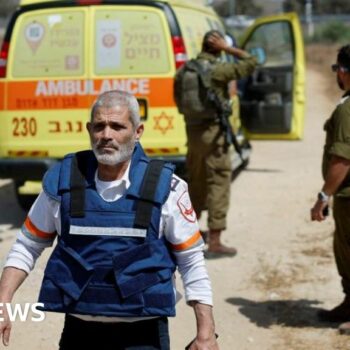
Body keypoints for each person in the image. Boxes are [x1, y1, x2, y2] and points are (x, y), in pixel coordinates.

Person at [0, 90, 219, 350]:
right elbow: (27, 245)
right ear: (89, 129)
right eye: (99, 126)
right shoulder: (63, 182)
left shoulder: (168, 188)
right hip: (79, 334)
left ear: (137, 132)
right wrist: (4, 302)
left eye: (117, 126)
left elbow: (191, 260)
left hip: (144, 335)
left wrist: (206, 332)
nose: (106, 135)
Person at [181, 30, 257, 258]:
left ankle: (186, 236)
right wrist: (228, 48)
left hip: (192, 134)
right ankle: (214, 241)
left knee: (195, 182)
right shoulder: (218, 70)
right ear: (217, 46)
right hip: (213, 134)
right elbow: (251, 62)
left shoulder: (185, 70)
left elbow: (179, 100)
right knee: (219, 182)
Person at [310, 45, 350, 329]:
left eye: (337, 69)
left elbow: (343, 158)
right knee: (344, 251)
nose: (337, 75)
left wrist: (323, 196)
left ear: (345, 72)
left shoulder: (347, 109)